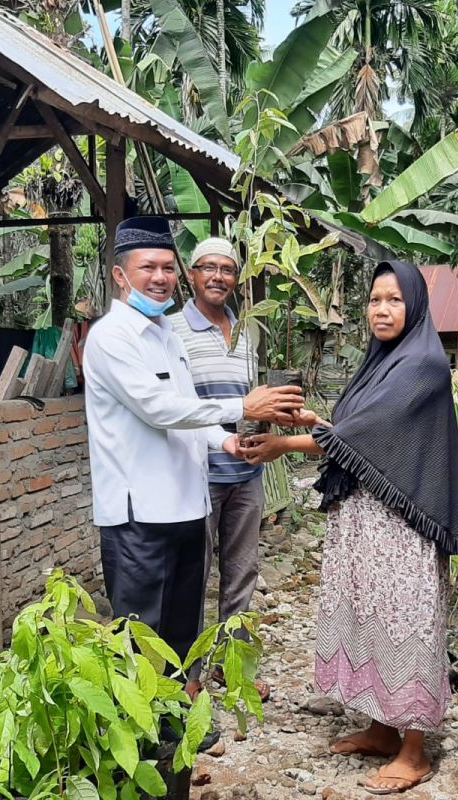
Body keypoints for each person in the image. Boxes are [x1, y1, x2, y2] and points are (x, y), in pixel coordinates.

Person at [242, 261, 458, 795]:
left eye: (394, 300)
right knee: (369, 617)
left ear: (414, 305)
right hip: (365, 521)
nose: (382, 309)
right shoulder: (384, 361)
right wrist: (316, 426)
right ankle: (379, 726)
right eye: (374, 300)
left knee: (405, 622)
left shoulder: (422, 363)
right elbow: (355, 432)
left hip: (400, 526)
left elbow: (371, 434)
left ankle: (414, 751)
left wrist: (283, 444)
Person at [82, 216, 303, 669]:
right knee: (143, 631)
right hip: (139, 514)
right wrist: (242, 408)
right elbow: (157, 408)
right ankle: (147, 735)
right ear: (120, 275)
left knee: (182, 627)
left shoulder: (165, 334)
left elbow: (186, 407)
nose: (160, 278)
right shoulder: (111, 337)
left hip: (187, 505)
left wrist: (224, 443)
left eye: (167, 267)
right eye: (148, 268)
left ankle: (180, 722)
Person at [169, 237, 271, 701]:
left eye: (227, 270)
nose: (217, 277)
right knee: (193, 573)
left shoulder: (247, 331)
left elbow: (252, 401)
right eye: (207, 268)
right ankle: (185, 675)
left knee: (242, 572)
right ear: (191, 275)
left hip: (247, 473)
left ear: (236, 279)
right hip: (197, 473)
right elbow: (176, 406)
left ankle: (235, 669)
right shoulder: (172, 331)